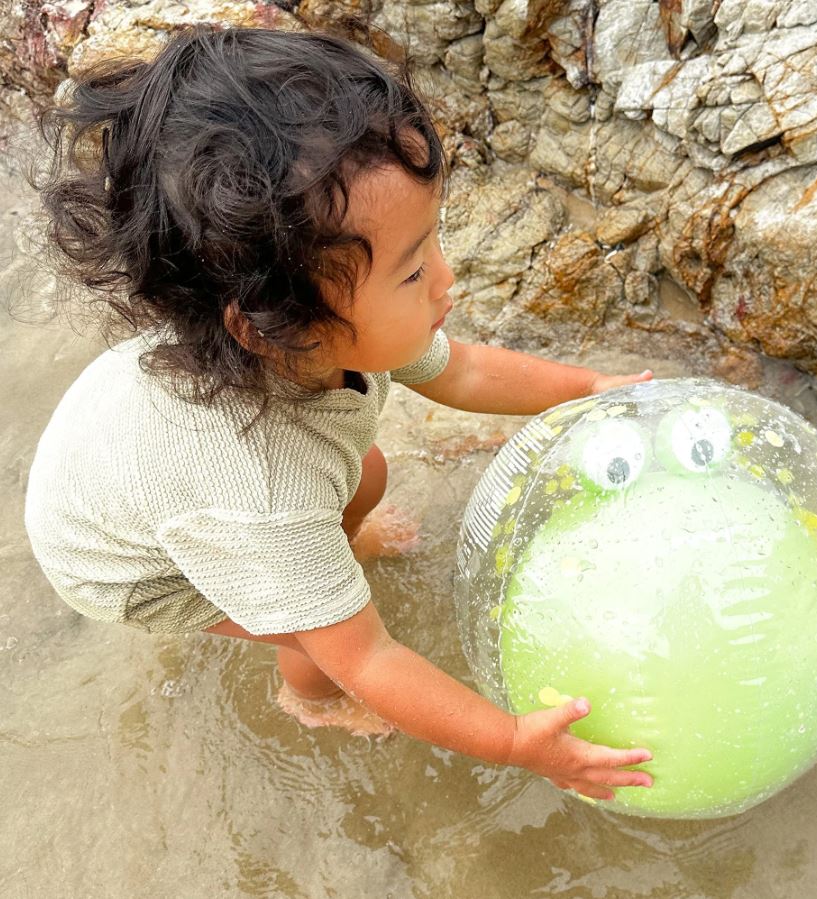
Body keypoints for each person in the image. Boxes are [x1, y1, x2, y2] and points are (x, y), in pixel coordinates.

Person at [24, 27, 654, 802]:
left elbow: (467, 369)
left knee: (371, 471)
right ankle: (308, 703)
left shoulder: (317, 329)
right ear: (278, 329)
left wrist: (587, 389)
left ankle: (334, 564)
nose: (446, 283)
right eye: (415, 269)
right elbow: (373, 659)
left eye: (434, 244)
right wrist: (514, 741)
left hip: (121, 461)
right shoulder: (258, 496)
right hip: (123, 561)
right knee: (316, 636)